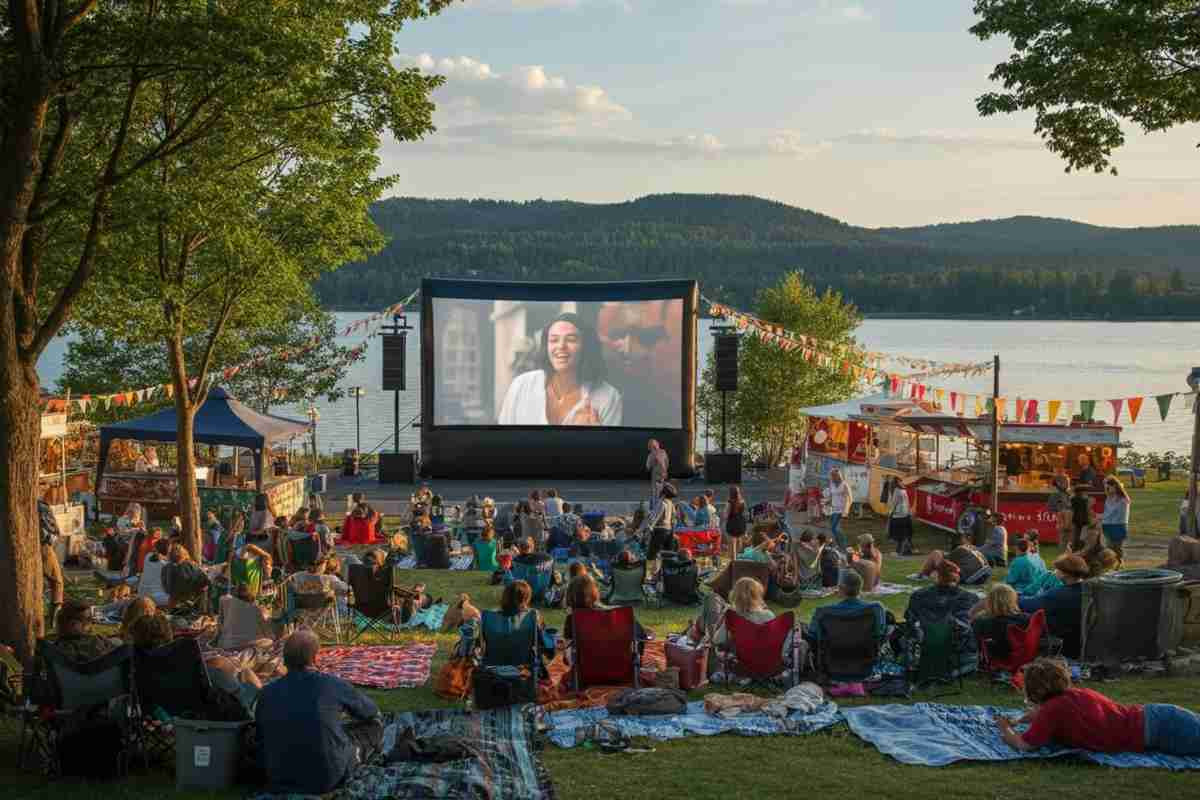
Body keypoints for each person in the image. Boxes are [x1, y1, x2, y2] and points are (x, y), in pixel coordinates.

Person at [256, 631, 382, 795]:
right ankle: (357, 755)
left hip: (278, 776)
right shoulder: (331, 684)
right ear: (315, 658)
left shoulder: (267, 693)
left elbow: (261, 734)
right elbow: (370, 711)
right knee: (375, 726)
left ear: (284, 661)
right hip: (327, 777)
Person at [995, 657, 1200, 756]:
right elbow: (1040, 714)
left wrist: (1005, 727)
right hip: (1157, 716)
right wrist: (1018, 719)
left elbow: (1024, 744)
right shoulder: (1075, 695)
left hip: (1157, 731)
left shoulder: (1053, 710)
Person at [498, 312, 622, 425]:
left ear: (586, 347)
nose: (561, 346)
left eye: (571, 339)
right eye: (554, 340)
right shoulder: (522, 385)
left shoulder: (608, 397)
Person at [901, 560, 978, 672]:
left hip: (922, 650)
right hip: (956, 654)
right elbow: (967, 628)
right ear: (957, 577)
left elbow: (909, 620)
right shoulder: (969, 598)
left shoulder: (918, 595)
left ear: (937, 575)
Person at [1019, 554, 1089, 658]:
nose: (1054, 571)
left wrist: (1013, 597)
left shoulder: (1058, 594)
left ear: (1065, 573)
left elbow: (1027, 605)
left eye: (1057, 569)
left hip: (1063, 644)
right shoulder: (1090, 590)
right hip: (1084, 641)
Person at [809, 569, 887, 642]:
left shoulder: (823, 612)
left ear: (841, 588)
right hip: (867, 654)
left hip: (833, 654)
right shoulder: (876, 609)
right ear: (860, 587)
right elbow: (880, 633)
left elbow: (813, 634)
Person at [971, 584, 1030, 661]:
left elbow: (974, 643)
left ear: (990, 601)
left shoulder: (981, 622)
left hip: (999, 656)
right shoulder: (1026, 618)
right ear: (1013, 600)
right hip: (1022, 653)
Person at [52, 600, 121, 664]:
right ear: (72, 624)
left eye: (91, 618)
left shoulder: (56, 647)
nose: (91, 622)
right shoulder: (69, 648)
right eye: (88, 619)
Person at [920, 533, 990, 585]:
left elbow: (945, 563)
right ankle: (926, 574)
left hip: (970, 577)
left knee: (936, 553)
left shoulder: (960, 549)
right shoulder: (974, 549)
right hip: (984, 576)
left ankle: (923, 574)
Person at [38, 499, 65, 624]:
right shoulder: (40, 505)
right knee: (57, 581)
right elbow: (52, 528)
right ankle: (53, 620)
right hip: (42, 546)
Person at [639, 482, 678, 561]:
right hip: (669, 531)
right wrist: (672, 532)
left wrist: (642, 530)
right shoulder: (671, 503)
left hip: (659, 531)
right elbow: (674, 520)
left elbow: (653, 517)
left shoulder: (661, 503)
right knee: (668, 555)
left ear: (663, 493)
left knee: (651, 555)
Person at [1101, 476, 1131, 565]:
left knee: (1116, 546)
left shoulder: (1123, 499)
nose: (1107, 489)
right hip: (1107, 525)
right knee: (1109, 546)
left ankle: (1119, 563)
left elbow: (1112, 512)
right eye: (1106, 487)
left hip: (1118, 525)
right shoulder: (1108, 498)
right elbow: (1107, 512)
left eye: (1108, 487)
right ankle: (1113, 564)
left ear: (1115, 486)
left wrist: (1100, 517)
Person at [137, 538, 172, 607]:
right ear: (168, 550)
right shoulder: (167, 565)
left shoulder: (148, 556)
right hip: (157, 597)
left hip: (142, 594)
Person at [885, 477, 914, 555]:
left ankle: (900, 551)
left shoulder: (897, 491)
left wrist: (889, 513)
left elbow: (893, 503)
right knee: (905, 535)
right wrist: (909, 512)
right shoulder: (904, 490)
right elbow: (907, 503)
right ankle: (907, 550)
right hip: (905, 515)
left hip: (898, 516)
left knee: (899, 536)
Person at [828, 468, 852, 550]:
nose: (831, 478)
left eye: (833, 476)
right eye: (831, 476)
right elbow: (831, 496)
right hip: (833, 509)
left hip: (841, 510)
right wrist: (827, 502)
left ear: (837, 476)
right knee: (834, 529)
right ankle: (840, 545)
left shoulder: (844, 485)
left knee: (835, 528)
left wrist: (846, 510)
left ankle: (844, 545)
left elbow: (850, 498)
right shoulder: (831, 484)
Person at [724, 485, 748, 558]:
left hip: (732, 524)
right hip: (741, 523)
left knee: (732, 545)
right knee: (738, 543)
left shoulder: (730, 502)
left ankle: (733, 561)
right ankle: (737, 559)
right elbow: (745, 513)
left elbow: (726, 515)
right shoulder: (742, 501)